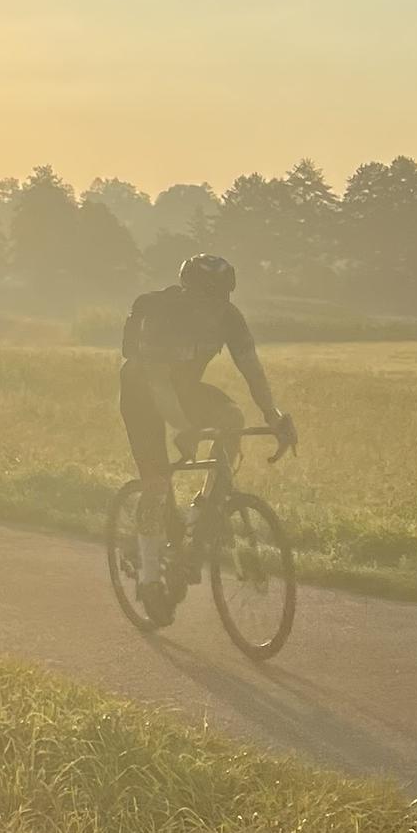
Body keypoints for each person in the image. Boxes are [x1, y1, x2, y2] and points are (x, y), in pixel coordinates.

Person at [118, 254, 296, 615]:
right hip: (142, 396)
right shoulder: (162, 317)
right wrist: (185, 430)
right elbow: (158, 385)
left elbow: (252, 369)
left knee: (231, 417)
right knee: (155, 484)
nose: (215, 305)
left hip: (183, 390)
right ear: (188, 291)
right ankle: (150, 578)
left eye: (223, 296)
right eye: (207, 296)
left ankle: (202, 510)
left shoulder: (228, 317)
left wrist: (273, 415)